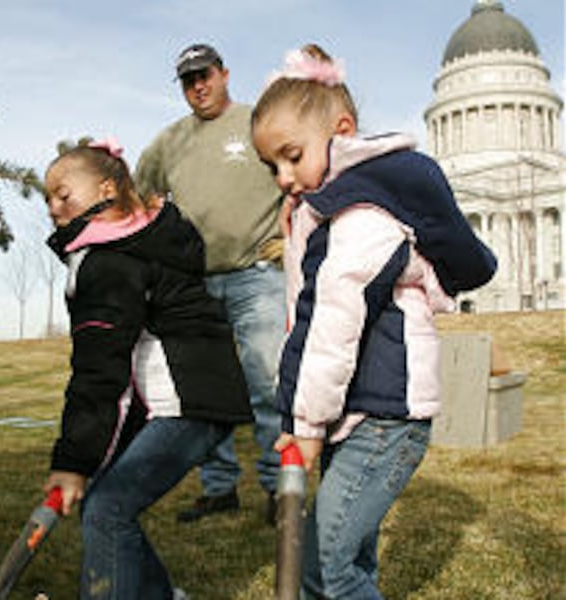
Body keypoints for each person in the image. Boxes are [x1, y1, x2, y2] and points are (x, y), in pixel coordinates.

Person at [250, 44, 497, 599]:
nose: (284, 177)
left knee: (326, 568)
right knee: (349, 561)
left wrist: (305, 423)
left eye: (292, 155)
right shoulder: (331, 210)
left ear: (342, 130)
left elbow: (330, 320)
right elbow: (304, 313)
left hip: (384, 418)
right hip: (359, 410)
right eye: (272, 166)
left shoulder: (362, 216)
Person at [41, 137, 253, 599]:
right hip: (188, 401)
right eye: (48, 199)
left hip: (189, 406)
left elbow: (100, 372)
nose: (54, 208)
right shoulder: (140, 244)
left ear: (105, 190)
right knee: (105, 505)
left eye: (63, 194)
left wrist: (74, 462)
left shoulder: (108, 263)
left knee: (107, 509)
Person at [135, 43, 285, 525]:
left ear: (224, 74)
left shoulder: (256, 121)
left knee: (266, 383)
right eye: (187, 80)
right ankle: (219, 488)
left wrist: (292, 229)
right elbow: (143, 195)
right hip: (196, 284)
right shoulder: (169, 141)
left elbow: (299, 169)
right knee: (208, 392)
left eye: (205, 75)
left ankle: (280, 489)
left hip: (257, 276)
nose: (198, 86)